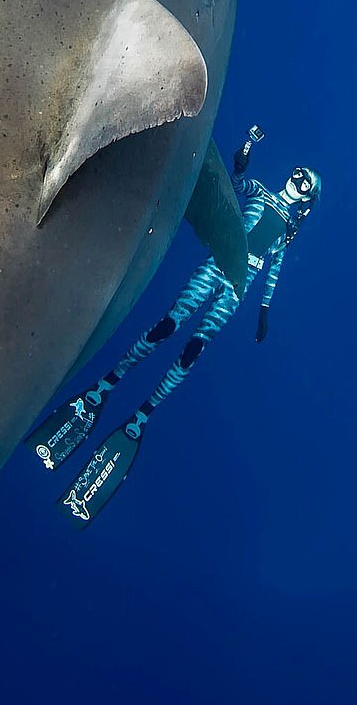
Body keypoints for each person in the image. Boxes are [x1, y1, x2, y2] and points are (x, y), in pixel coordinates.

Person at [24, 126, 322, 523]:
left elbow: (273, 272)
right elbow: (232, 184)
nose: (298, 179)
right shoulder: (260, 194)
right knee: (168, 325)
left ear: (306, 200)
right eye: (300, 173)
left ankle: (143, 413)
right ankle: (107, 385)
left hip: (238, 286)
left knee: (192, 349)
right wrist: (247, 148)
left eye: (306, 183)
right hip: (217, 264)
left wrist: (264, 309)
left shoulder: (285, 232)